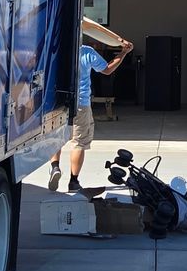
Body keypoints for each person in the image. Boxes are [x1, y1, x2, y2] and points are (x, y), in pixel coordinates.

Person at [50, 38, 132, 192]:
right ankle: (73, 181)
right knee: (79, 143)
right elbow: (107, 70)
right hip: (80, 102)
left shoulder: (55, 48)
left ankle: (55, 167)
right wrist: (123, 53)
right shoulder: (86, 51)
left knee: (56, 139)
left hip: (57, 102)